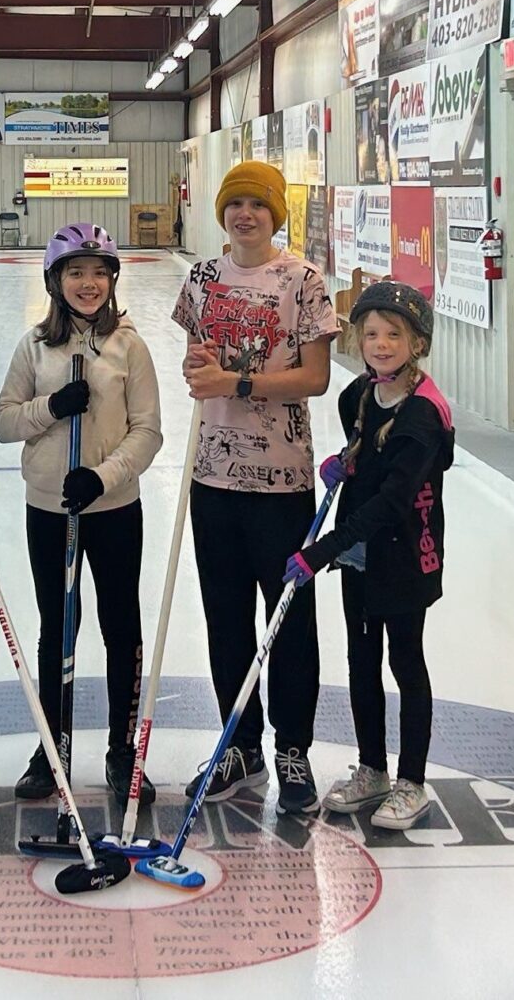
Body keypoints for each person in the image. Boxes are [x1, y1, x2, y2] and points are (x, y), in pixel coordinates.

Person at [171, 160, 338, 814]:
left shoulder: (301, 279)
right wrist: (200, 368)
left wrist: (236, 383)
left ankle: (292, 748)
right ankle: (239, 745)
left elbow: (316, 377)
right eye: (234, 203)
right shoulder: (204, 278)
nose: (245, 214)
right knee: (227, 620)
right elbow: (196, 361)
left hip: (282, 478)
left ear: (276, 214)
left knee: (288, 624)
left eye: (257, 205)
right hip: (213, 475)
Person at [0, 224, 163, 804]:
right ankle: (53, 745)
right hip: (49, 506)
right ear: (55, 281)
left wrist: (102, 476)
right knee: (56, 629)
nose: (88, 283)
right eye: (75, 272)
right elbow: (5, 422)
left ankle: (121, 747)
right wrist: (49, 408)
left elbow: (148, 432)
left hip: (113, 507)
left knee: (121, 627)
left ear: (113, 280)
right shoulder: (34, 346)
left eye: (99, 273)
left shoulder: (130, 346)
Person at [283, 282, 454, 830]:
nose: (380, 344)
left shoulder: (424, 416)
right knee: (361, 661)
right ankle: (373, 769)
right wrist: (344, 462)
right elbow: (369, 462)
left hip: (407, 554)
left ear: (418, 343)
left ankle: (412, 781)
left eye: (394, 335)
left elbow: (393, 501)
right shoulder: (356, 394)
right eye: (371, 334)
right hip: (361, 555)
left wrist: (322, 550)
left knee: (405, 661)